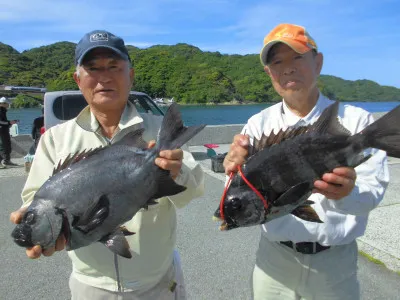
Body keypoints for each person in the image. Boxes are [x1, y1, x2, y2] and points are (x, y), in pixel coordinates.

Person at [10, 30, 204, 299]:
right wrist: (33, 222)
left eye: (114, 67)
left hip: (159, 282)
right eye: (93, 69)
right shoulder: (55, 139)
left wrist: (177, 170)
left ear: (131, 76)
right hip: (91, 287)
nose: (104, 77)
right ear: (79, 80)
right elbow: (35, 199)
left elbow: (194, 190)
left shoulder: (159, 130)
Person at [223, 23, 388, 300]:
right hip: (273, 261)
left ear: (318, 61)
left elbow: (372, 195)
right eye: (277, 62)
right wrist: (232, 171)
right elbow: (245, 197)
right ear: (269, 73)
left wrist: (346, 193)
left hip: (334, 265)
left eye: (297, 57)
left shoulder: (357, 122)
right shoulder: (257, 124)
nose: (287, 67)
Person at [0, 96, 19, 168]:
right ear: (4, 103)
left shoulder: (3, 110)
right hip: (2, 131)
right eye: (7, 104)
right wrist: (9, 123)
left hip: (4, 130)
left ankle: (7, 161)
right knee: (4, 146)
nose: (8, 105)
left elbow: (3, 121)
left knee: (7, 146)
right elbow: (1, 122)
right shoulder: (1, 110)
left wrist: (9, 123)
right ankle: (4, 161)